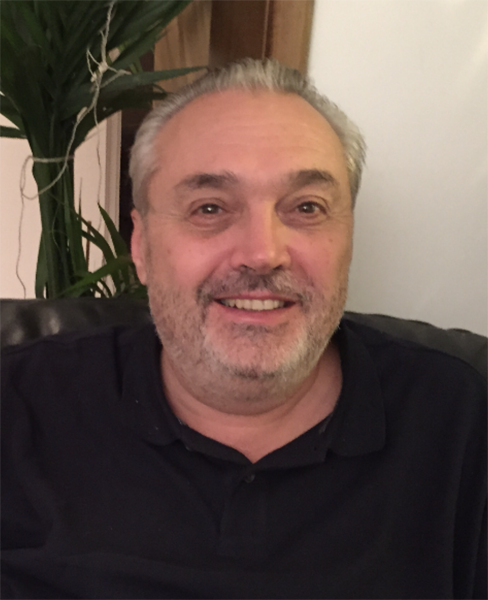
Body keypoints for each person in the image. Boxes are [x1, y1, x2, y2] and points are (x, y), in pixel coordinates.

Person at [0, 58, 487, 599]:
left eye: (307, 207)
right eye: (210, 208)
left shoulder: (463, 425)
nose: (262, 252)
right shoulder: (19, 404)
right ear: (140, 246)